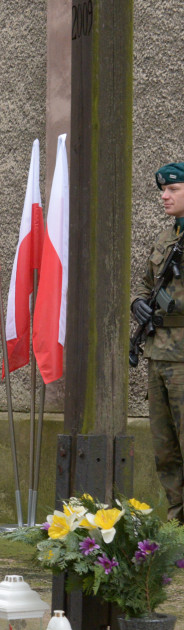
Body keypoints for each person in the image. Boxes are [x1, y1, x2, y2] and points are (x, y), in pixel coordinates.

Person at [131, 163, 184, 524]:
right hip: (158, 354)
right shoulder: (166, 238)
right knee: (165, 449)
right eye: (162, 190)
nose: (164, 196)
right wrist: (137, 303)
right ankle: (178, 520)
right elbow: (144, 284)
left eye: (173, 189)